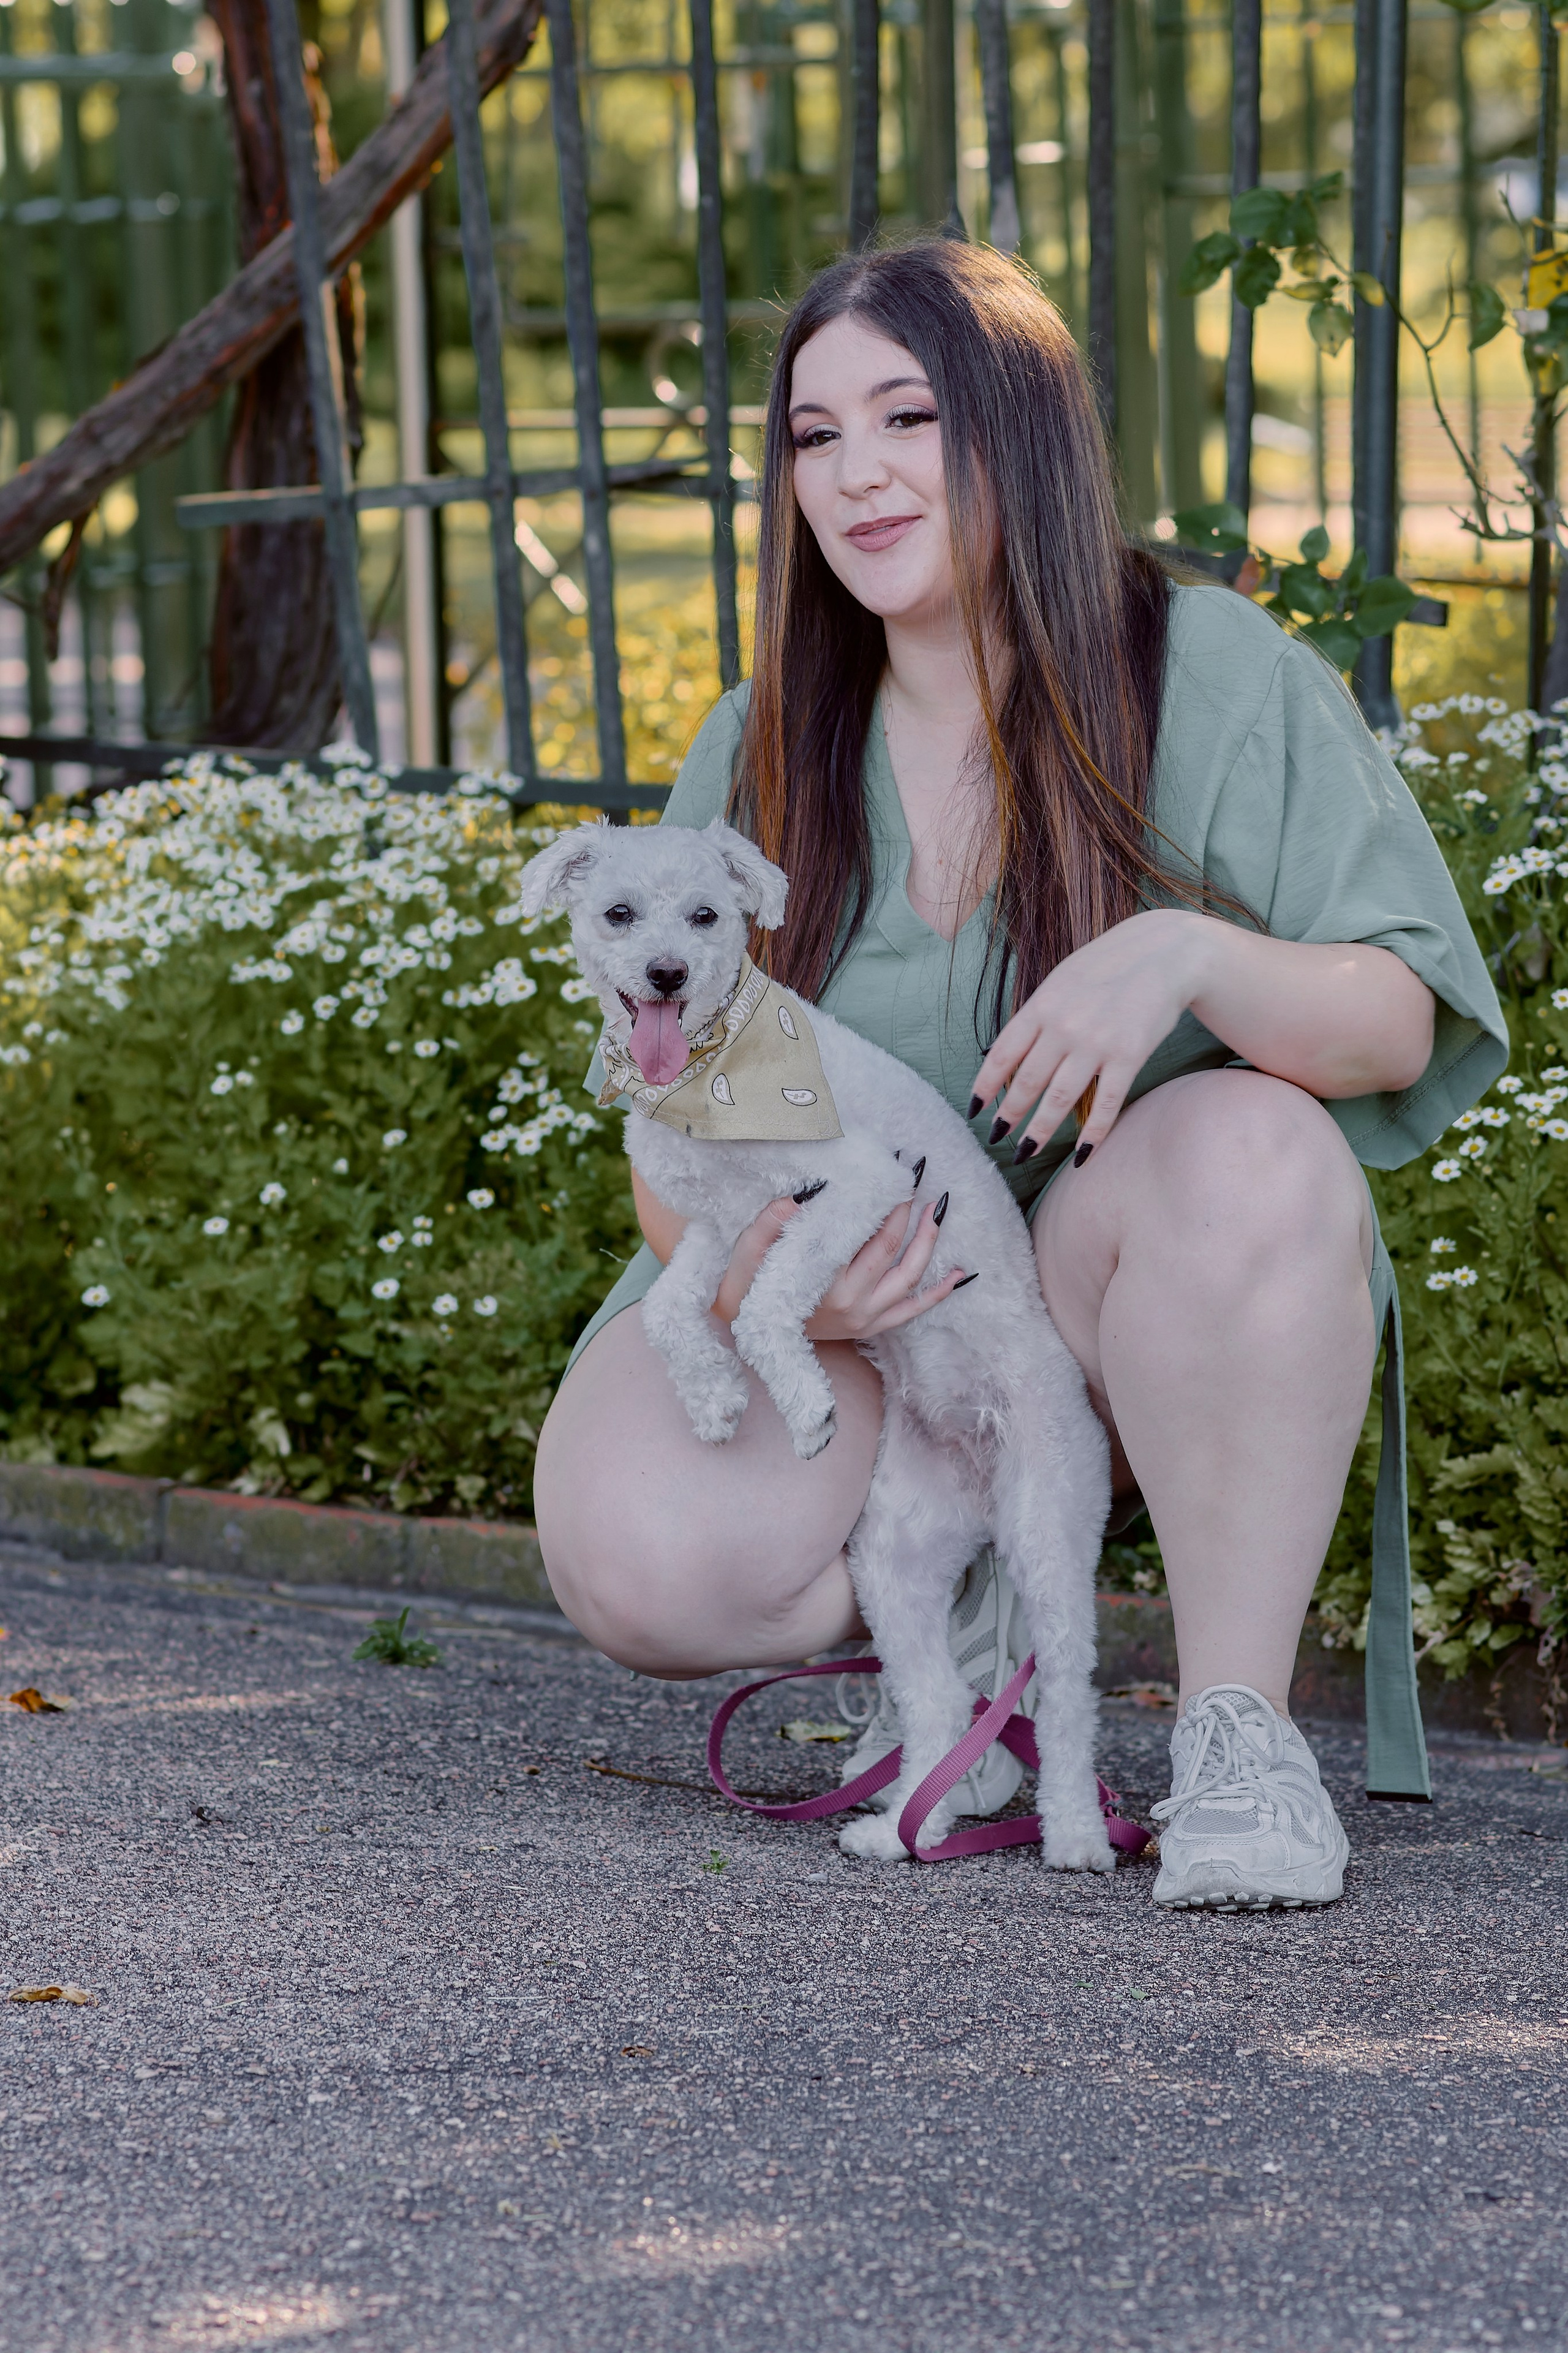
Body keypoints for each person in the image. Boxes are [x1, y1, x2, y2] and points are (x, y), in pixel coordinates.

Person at [534, 238, 1505, 1910]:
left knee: (1257, 1149)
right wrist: (782, 1292)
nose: (857, 473)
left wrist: (1185, 955)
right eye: (815, 436)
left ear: (1020, 428)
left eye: (907, 416)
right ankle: (951, 1662)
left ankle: (1238, 1740)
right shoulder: (765, 738)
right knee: (641, 1552)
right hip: (861, 1311)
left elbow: (1396, 1019)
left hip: (1106, 1293)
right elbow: (670, 1128)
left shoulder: (1208, 671)